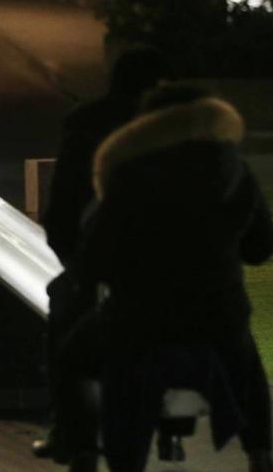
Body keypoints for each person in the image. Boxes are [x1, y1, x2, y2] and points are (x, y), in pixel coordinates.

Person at [50, 85, 273, 472]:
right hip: (218, 319)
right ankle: (260, 452)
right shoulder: (235, 172)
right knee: (245, 357)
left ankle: (84, 452)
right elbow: (262, 247)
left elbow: (92, 263)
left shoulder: (127, 175)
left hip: (139, 323)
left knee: (70, 360)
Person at [33, 46, 172, 456]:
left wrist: (77, 267)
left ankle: (68, 427)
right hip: (190, 284)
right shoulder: (183, 132)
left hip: (109, 268)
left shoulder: (89, 129)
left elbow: (60, 213)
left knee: (66, 324)